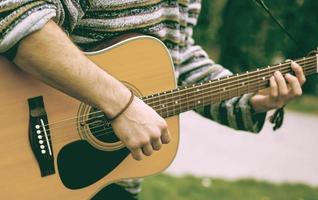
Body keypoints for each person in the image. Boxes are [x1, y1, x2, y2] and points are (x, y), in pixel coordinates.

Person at [0, 0, 306, 199]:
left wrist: (248, 100)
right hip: (19, 157)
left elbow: (177, 57)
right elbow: (17, 19)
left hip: (109, 180)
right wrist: (122, 105)